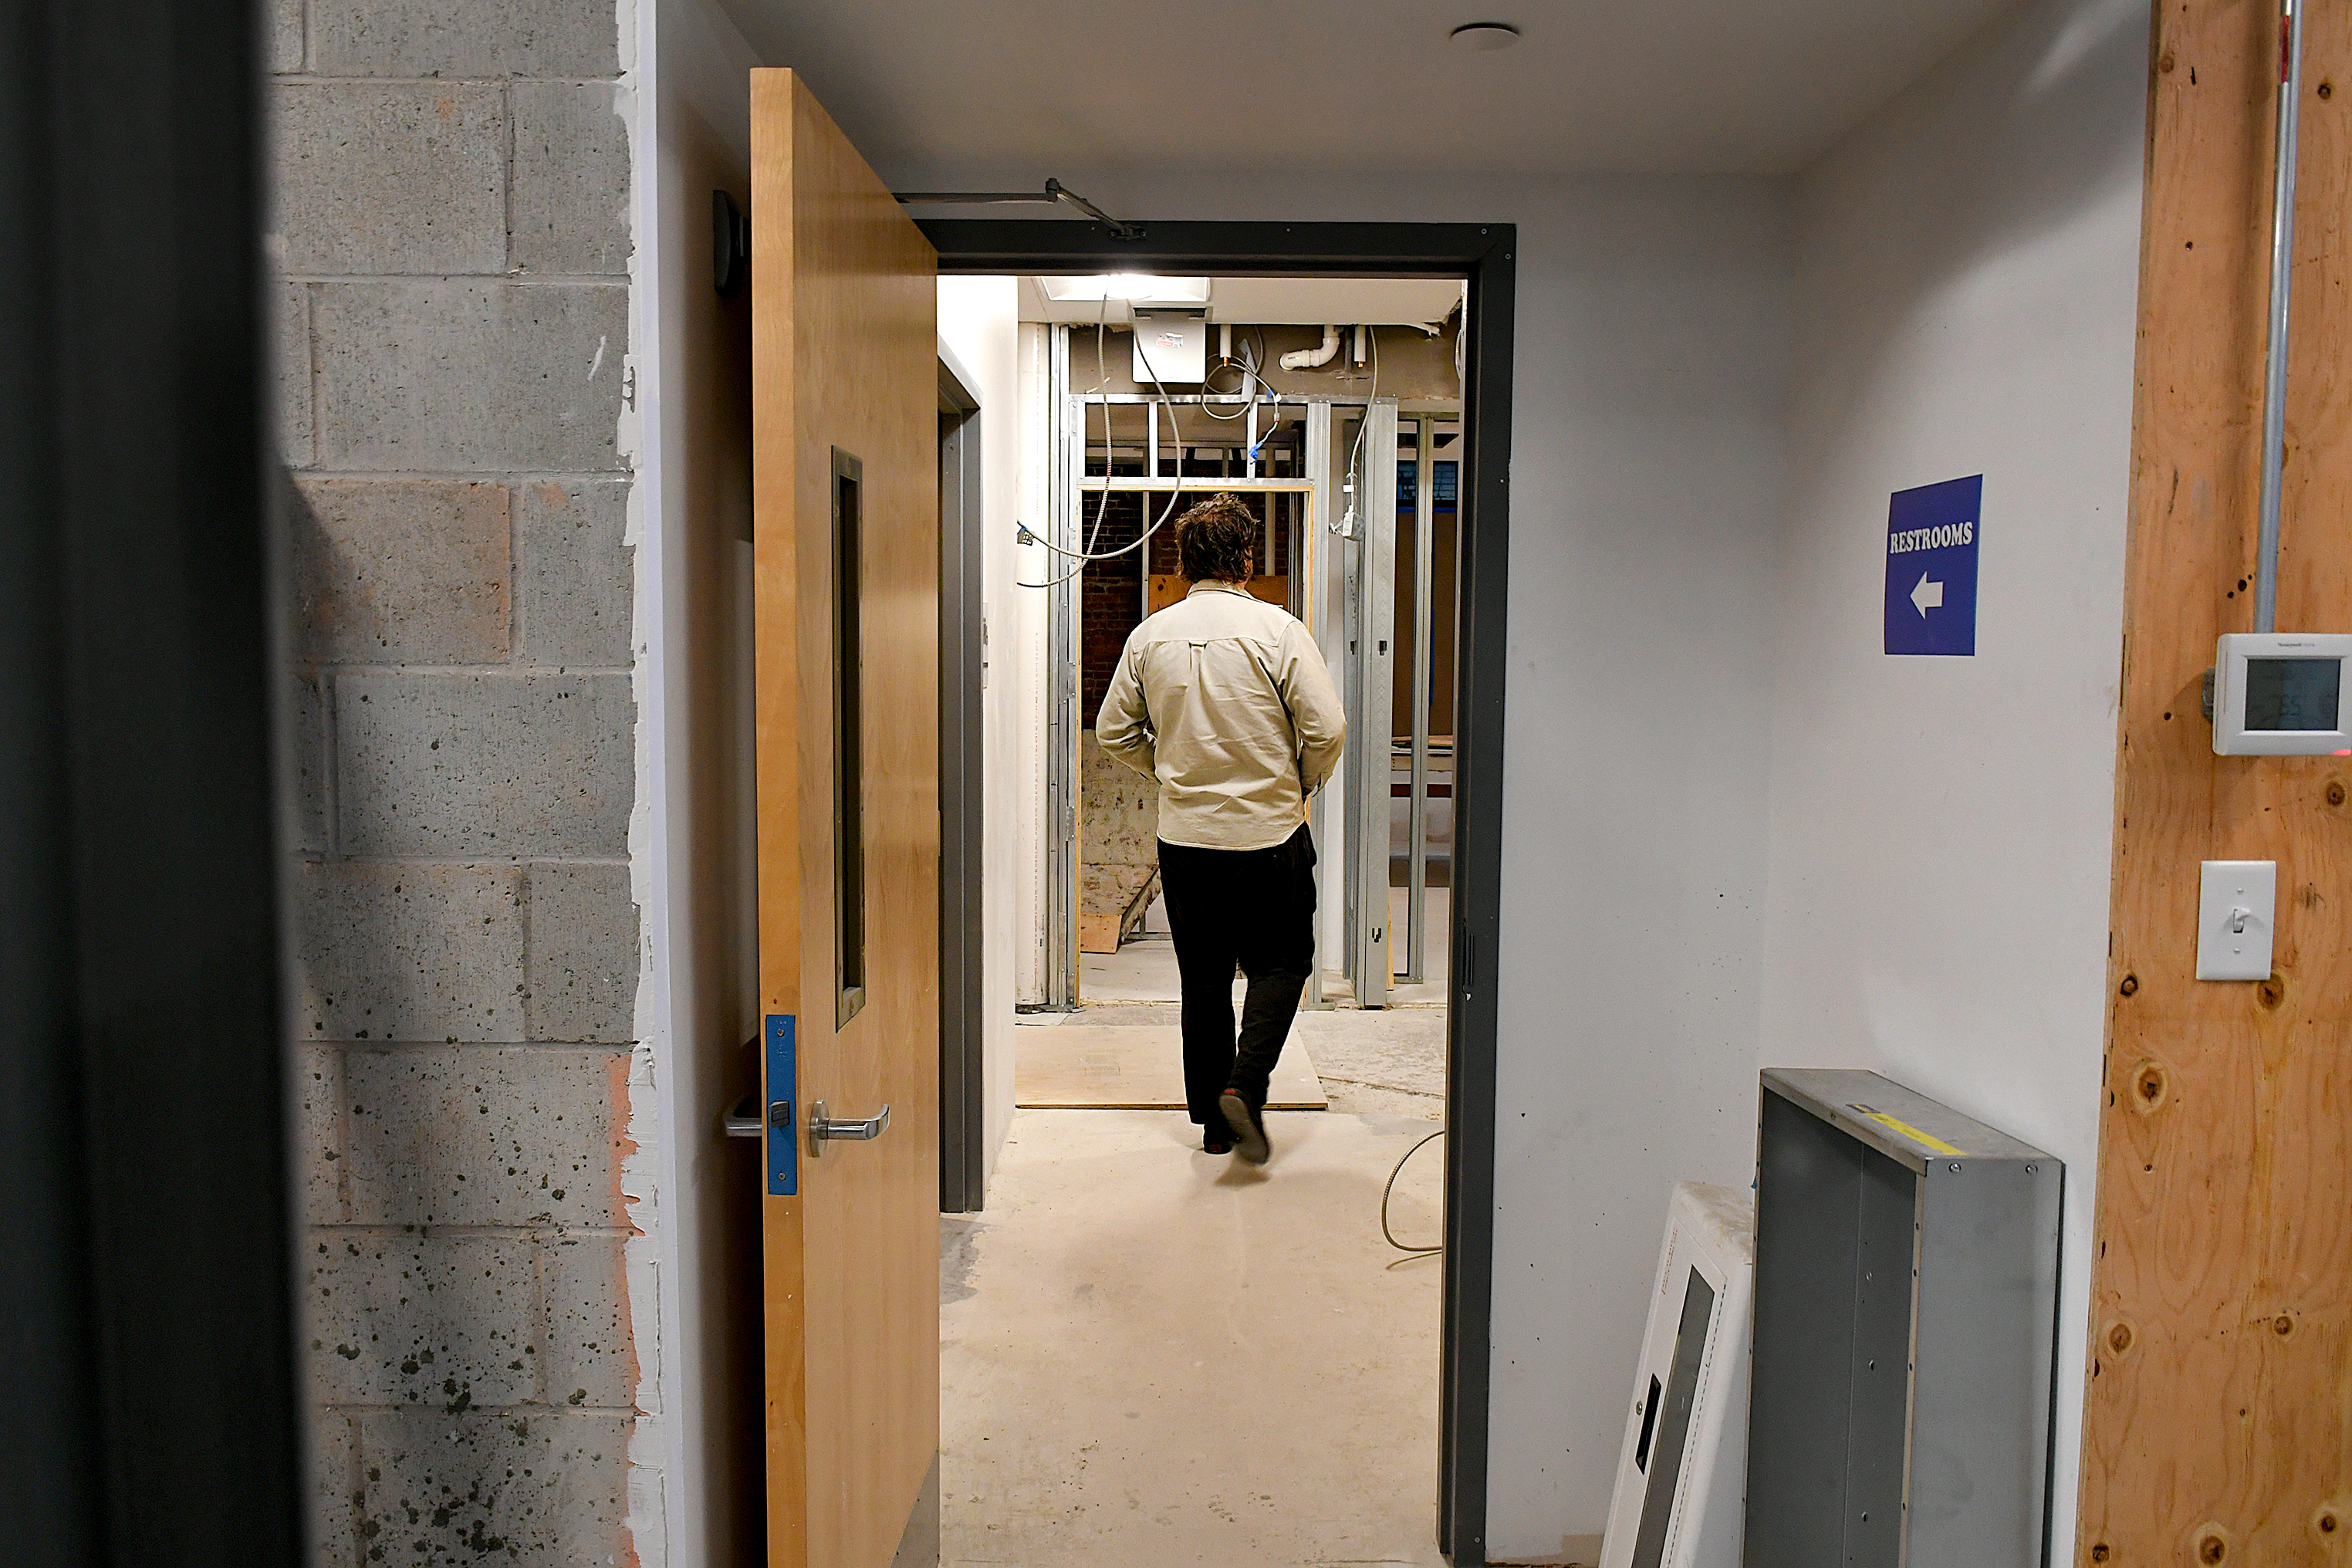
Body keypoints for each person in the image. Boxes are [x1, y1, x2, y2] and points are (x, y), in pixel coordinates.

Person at [1096, 492, 1345, 1164]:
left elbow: (1112, 730)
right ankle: (1245, 1083)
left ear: (1181, 563)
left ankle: (1212, 1123)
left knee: (1203, 980)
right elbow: (1327, 729)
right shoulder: (1279, 632)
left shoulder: (1150, 635)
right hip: (1269, 837)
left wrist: (1170, 769)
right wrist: (1299, 782)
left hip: (1187, 841)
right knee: (1282, 962)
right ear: (1245, 558)